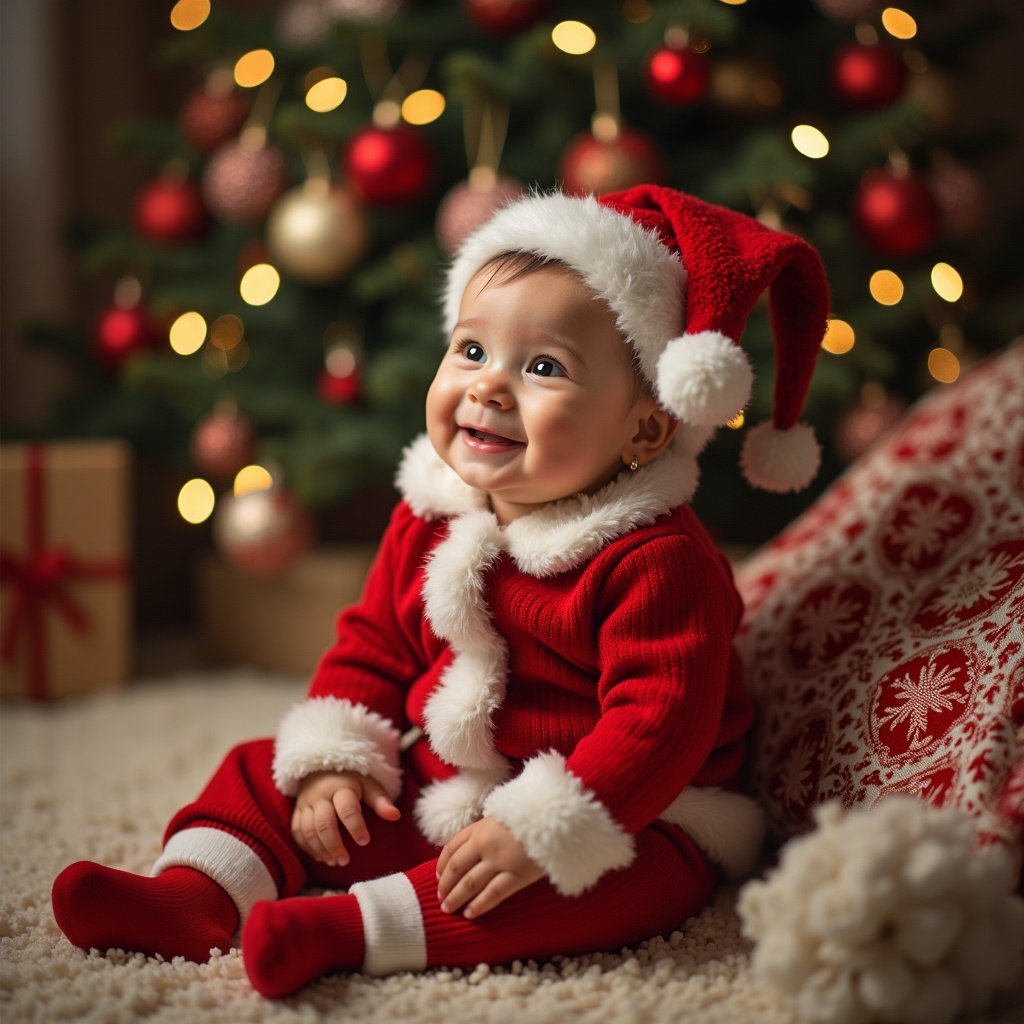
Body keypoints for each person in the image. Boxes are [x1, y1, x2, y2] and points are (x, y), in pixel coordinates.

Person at [51, 184, 830, 998]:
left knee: (616, 886)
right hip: (452, 780)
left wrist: (540, 829)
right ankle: (196, 895)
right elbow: (374, 646)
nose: (489, 387)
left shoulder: (657, 559)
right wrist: (336, 766)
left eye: (542, 367)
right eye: (469, 350)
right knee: (268, 769)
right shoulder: (431, 514)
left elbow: (660, 722)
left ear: (646, 428)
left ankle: (350, 930)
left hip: (627, 808)